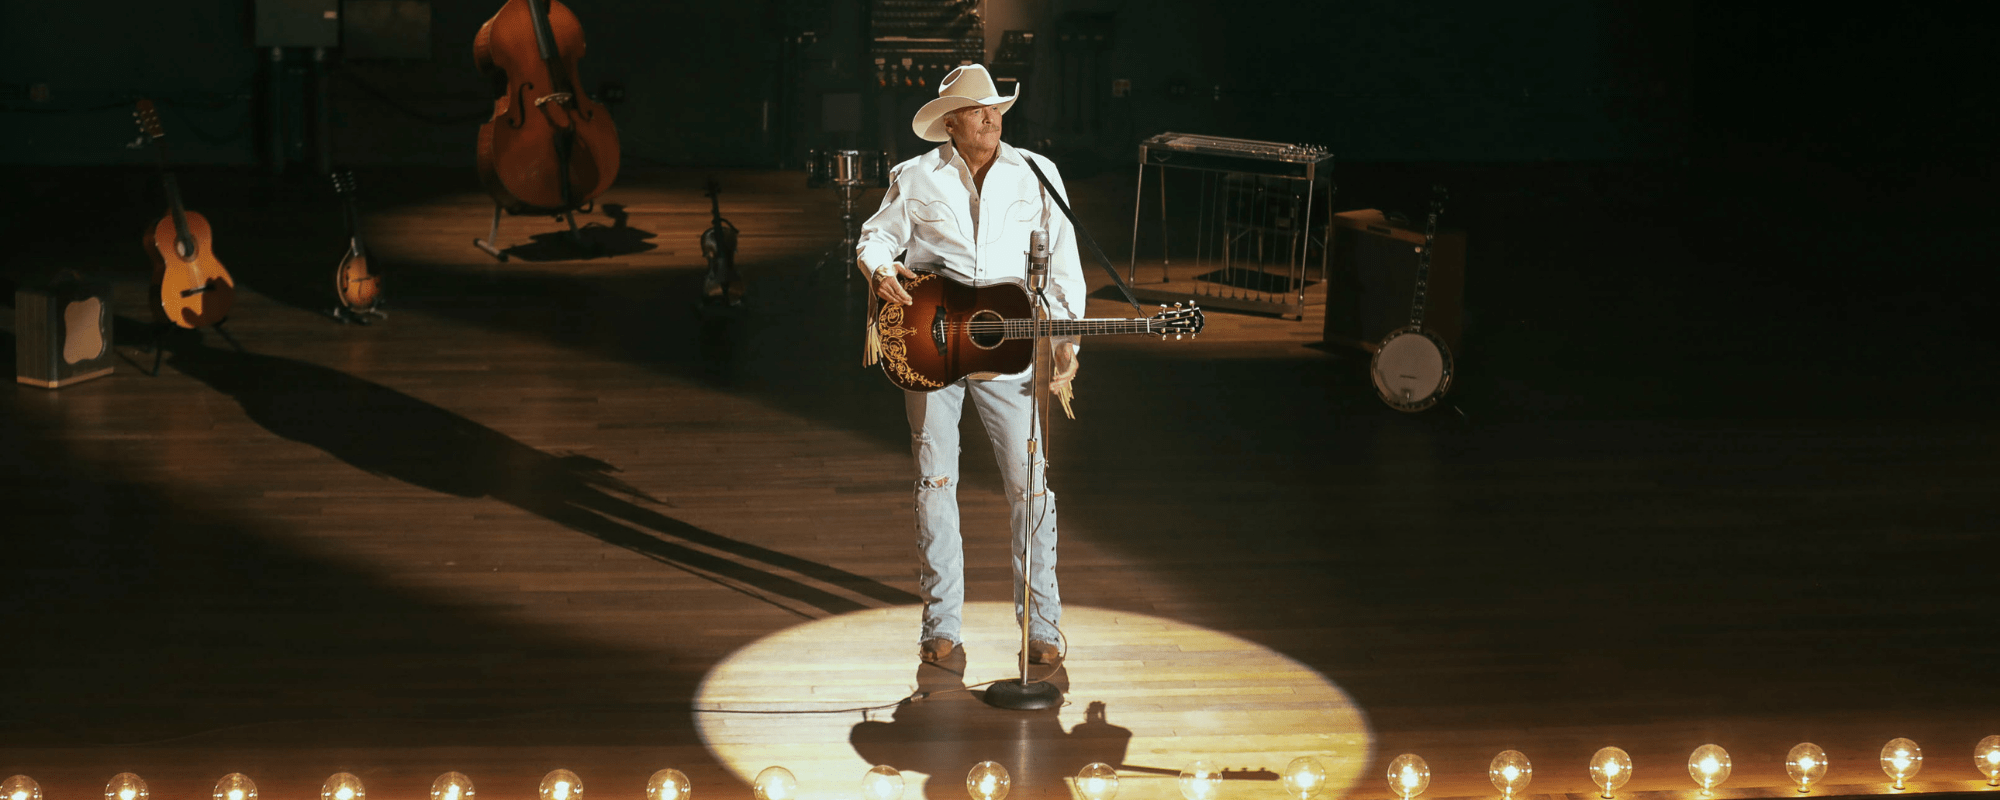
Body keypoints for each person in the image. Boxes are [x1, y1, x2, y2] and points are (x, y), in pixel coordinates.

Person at [855, 64, 1088, 666]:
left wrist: (1066, 339)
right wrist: (880, 270)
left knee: (1030, 486)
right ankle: (941, 625)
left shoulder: (1038, 172)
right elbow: (875, 238)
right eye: (976, 109)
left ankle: (1042, 626)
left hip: (1007, 347)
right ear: (950, 123)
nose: (990, 117)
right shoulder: (914, 176)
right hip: (928, 343)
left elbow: (1065, 264)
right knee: (935, 482)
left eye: (995, 107)